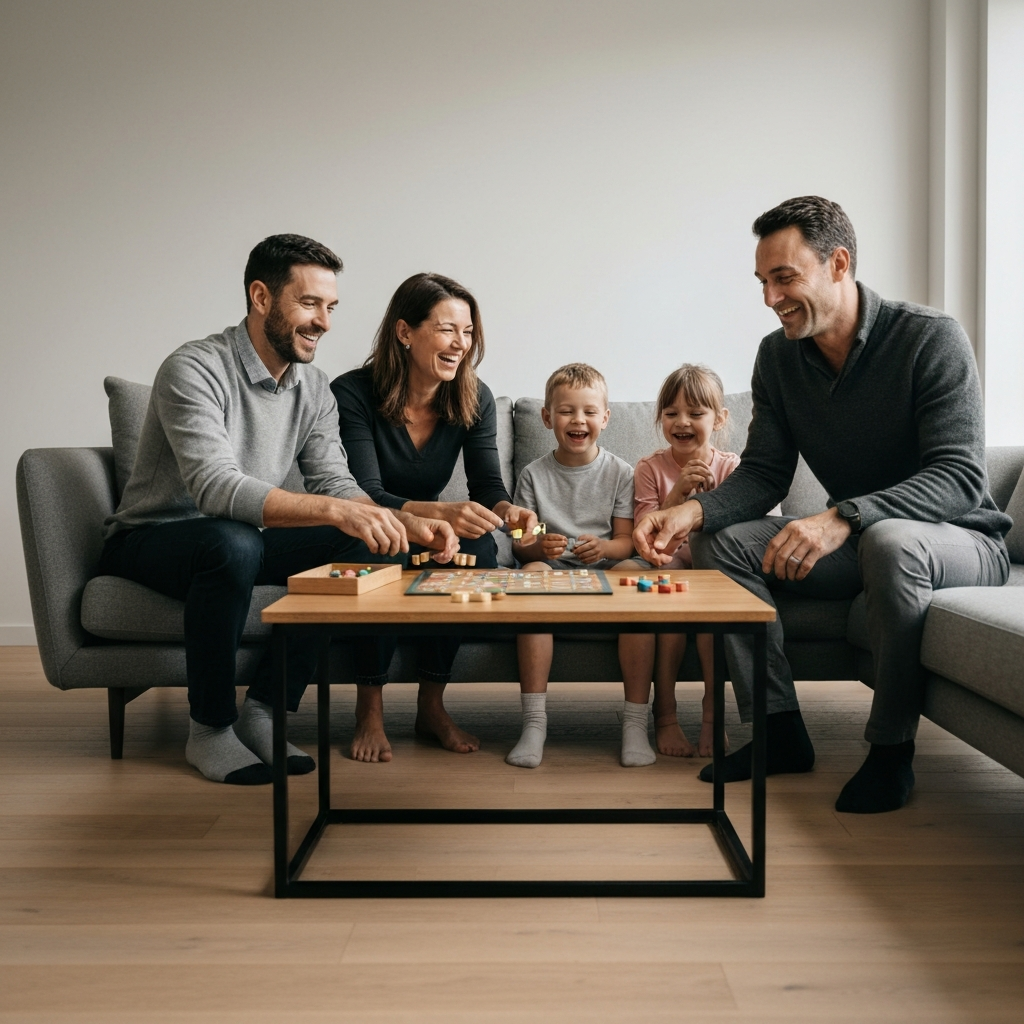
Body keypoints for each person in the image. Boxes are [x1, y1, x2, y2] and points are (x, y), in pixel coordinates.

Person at [634, 196, 1011, 813]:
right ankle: (778, 731)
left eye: (784, 278)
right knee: (719, 543)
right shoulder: (778, 357)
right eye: (762, 282)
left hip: (960, 539)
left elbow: (960, 476)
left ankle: (891, 750)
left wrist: (844, 516)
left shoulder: (929, 338)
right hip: (866, 542)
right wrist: (689, 513)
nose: (769, 297)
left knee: (891, 542)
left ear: (839, 263)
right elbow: (762, 474)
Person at [97, 235, 457, 785]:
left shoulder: (313, 387)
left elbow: (336, 481)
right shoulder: (193, 368)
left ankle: (265, 711)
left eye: (331, 307)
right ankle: (211, 729)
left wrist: (403, 523)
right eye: (309, 304)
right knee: (232, 540)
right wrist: (337, 511)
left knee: (364, 542)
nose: (324, 322)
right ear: (261, 297)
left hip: (240, 538)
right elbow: (214, 487)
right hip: (156, 538)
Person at [332, 273, 537, 763]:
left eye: (467, 333)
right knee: (378, 549)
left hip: (431, 529)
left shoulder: (474, 397)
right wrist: (436, 514)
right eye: (447, 330)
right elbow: (365, 494)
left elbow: (488, 488)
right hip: (371, 522)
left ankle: (432, 705)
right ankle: (370, 709)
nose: (460, 344)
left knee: (481, 549)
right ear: (405, 332)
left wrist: (510, 514)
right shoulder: (351, 393)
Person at [506, 363, 637, 768]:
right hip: (552, 571)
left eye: (589, 411)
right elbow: (519, 544)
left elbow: (626, 541)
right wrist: (537, 548)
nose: (578, 420)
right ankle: (534, 722)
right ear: (547, 417)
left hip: (604, 571)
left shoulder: (620, 473)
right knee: (529, 579)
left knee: (637, 574)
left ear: (605, 417)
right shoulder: (533, 474)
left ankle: (635, 722)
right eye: (566, 411)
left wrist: (604, 550)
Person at [619, 364, 739, 759]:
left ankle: (711, 715)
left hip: (709, 574)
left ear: (719, 419)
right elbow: (643, 540)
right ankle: (665, 716)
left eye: (696, 413)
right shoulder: (650, 468)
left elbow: (744, 533)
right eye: (671, 413)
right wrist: (679, 495)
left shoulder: (731, 469)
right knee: (665, 609)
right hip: (664, 568)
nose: (682, 422)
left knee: (711, 619)